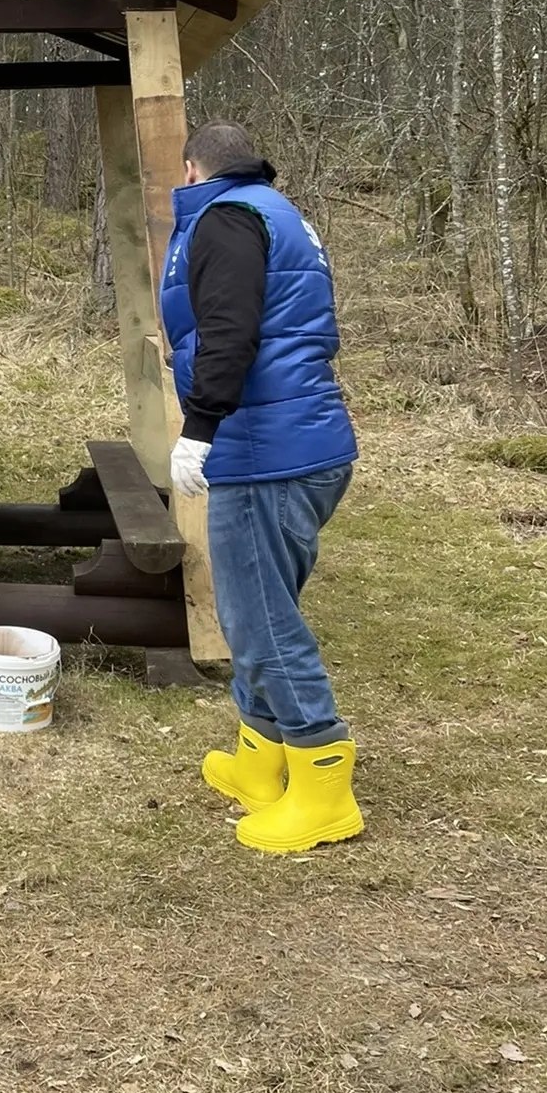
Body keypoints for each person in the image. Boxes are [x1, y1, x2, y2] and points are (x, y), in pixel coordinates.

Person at [160, 121, 362, 853]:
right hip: (304, 441)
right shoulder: (279, 214)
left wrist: (199, 426)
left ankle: (324, 782)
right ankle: (261, 761)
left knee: (261, 622)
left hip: (266, 449)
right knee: (261, 611)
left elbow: (231, 333)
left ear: (193, 170)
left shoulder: (224, 220)